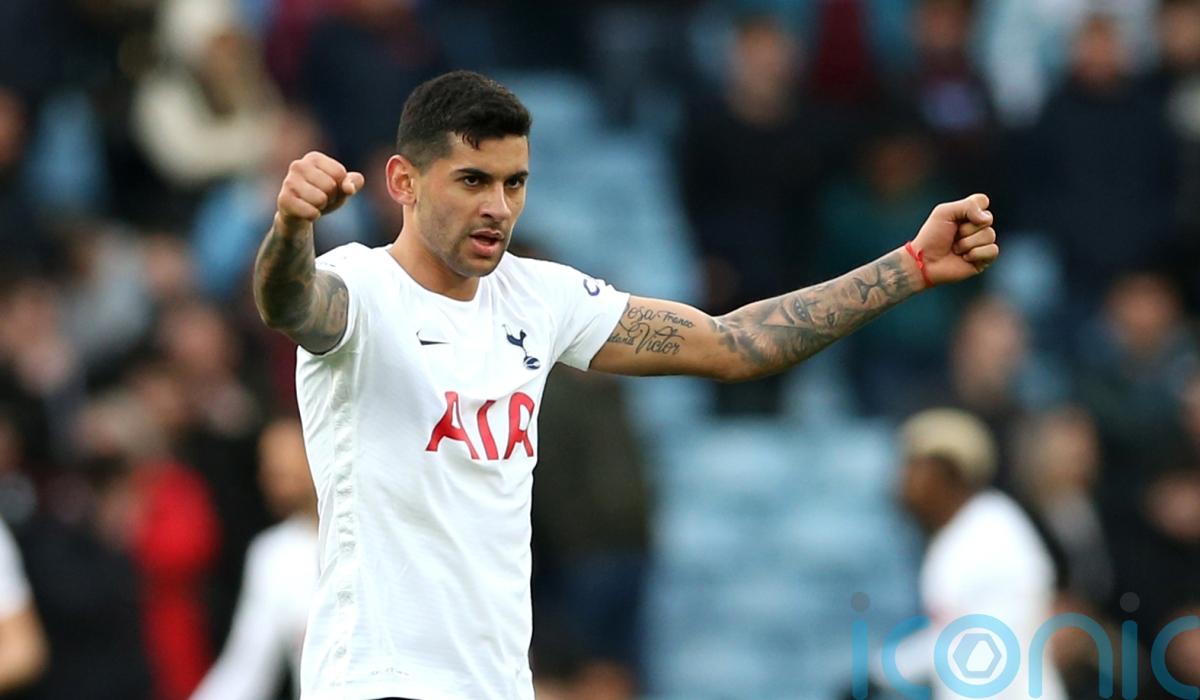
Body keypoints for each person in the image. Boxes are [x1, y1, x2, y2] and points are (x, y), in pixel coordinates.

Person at [251, 70, 999, 700]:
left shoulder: (538, 298)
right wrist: (291, 228)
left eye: (514, 183)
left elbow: (734, 344)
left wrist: (910, 266)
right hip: (379, 681)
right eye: (472, 180)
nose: (497, 207)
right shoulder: (360, 288)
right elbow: (290, 303)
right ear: (403, 182)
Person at [891, 408, 1064, 700]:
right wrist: (884, 672)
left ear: (952, 472)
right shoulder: (958, 534)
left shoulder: (994, 528)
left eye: (917, 467)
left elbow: (985, 641)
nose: (904, 482)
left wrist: (889, 670)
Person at [190, 417, 318, 700]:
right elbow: (246, 667)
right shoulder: (274, 555)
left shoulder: (386, 537)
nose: (274, 470)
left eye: (288, 454)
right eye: (267, 461)